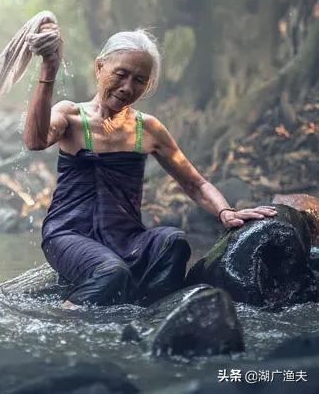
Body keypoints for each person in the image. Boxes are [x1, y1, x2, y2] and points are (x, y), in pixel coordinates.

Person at [23, 20, 277, 308]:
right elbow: (35, 140)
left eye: (139, 80)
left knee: (175, 242)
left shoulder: (148, 128)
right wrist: (48, 70)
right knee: (111, 272)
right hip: (68, 234)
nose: (127, 87)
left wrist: (225, 213)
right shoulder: (70, 115)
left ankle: (151, 314)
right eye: (121, 74)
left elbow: (194, 182)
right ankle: (61, 316)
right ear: (99, 67)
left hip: (127, 238)